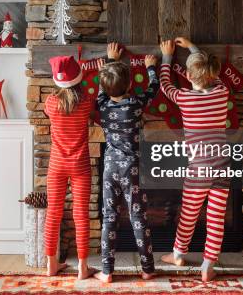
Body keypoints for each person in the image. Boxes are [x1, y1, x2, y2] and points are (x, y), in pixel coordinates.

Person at [158, 38, 230, 282]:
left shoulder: (184, 99)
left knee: (189, 211)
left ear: (188, 75)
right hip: (221, 167)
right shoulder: (222, 92)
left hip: (198, 169)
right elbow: (212, 74)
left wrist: (167, 57)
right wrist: (193, 48)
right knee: (216, 217)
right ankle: (208, 264)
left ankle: (178, 253)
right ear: (212, 73)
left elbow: (165, 84)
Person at [94, 43, 159, 283]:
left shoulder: (101, 105)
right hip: (132, 167)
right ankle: (147, 268)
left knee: (109, 216)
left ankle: (107, 271)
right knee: (138, 216)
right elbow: (154, 88)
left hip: (110, 165)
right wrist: (151, 67)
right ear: (130, 85)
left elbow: (103, 89)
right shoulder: (135, 105)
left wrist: (110, 61)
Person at [43, 55, 95, 279]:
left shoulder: (50, 103)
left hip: (56, 166)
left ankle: (51, 265)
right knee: (81, 215)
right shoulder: (86, 103)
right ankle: (83, 268)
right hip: (80, 166)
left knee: (52, 214)